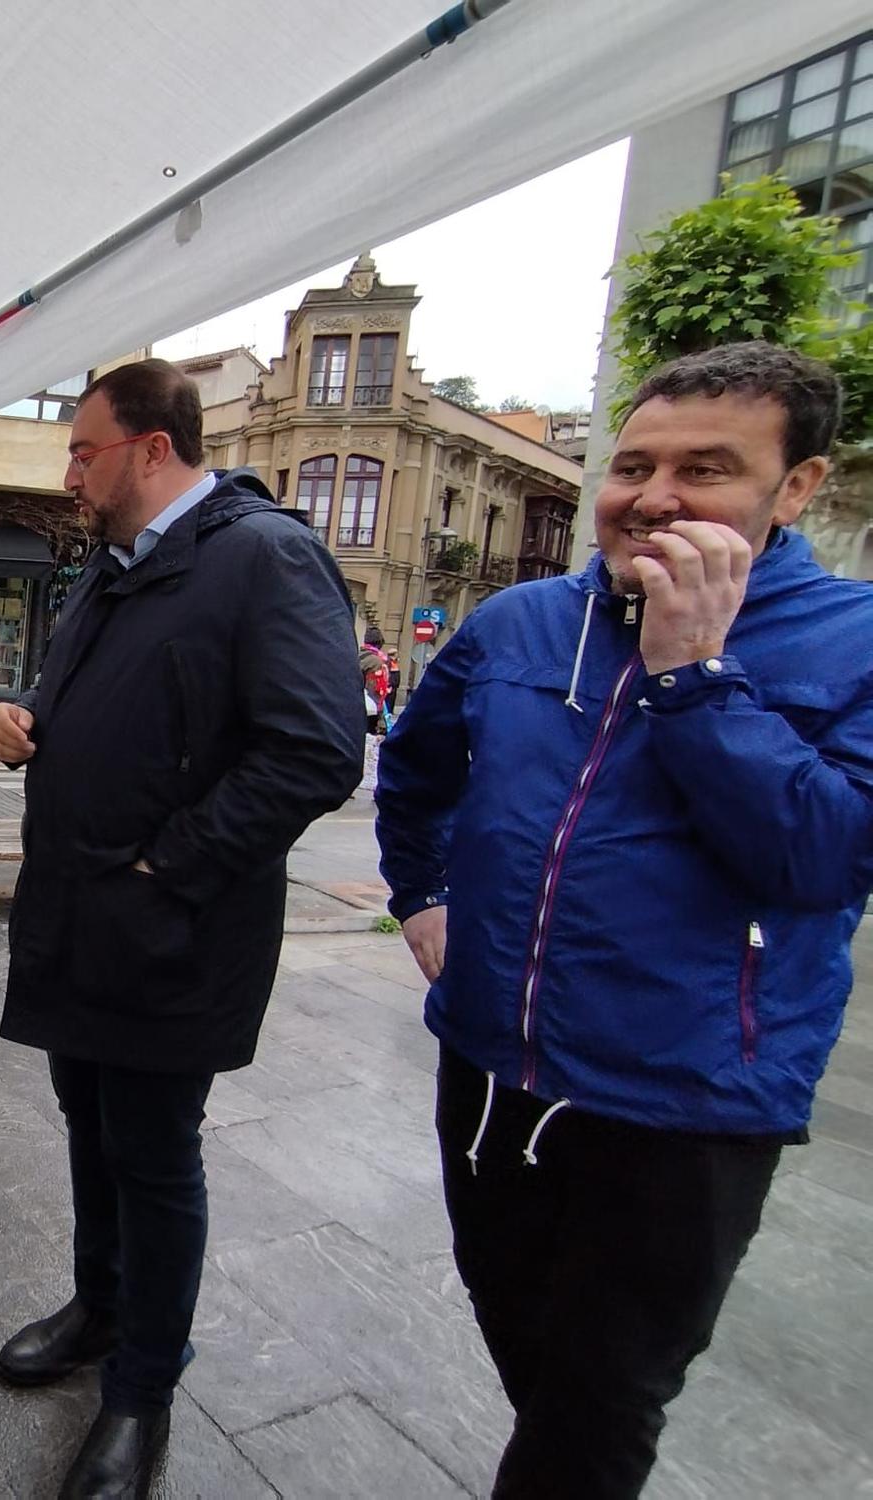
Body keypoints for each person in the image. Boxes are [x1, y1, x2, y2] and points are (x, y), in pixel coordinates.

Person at [375, 342, 873, 1499]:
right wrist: (421, 895)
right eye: (632, 464)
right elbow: (414, 771)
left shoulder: (853, 641)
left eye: (704, 469)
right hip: (493, 1068)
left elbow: (826, 854)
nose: (652, 497)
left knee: (600, 1404)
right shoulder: (518, 622)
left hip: (683, 1107)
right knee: (528, 1351)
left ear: (793, 487)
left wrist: (691, 672)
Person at [0, 359, 364, 1498]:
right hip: (74, 918)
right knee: (88, 1128)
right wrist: (23, 723)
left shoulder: (263, 557)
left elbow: (313, 751)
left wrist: (169, 865)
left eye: (83, 451)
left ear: (153, 449)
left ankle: (141, 1389)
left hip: (171, 929)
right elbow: (91, 710)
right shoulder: (109, 571)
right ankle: (98, 1310)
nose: (69, 473)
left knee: (151, 1155)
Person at [359, 623, 393, 736]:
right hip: (370, 711)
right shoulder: (378, 661)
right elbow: (377, 690)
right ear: (379, 642)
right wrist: (381, 720)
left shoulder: (357, 655)